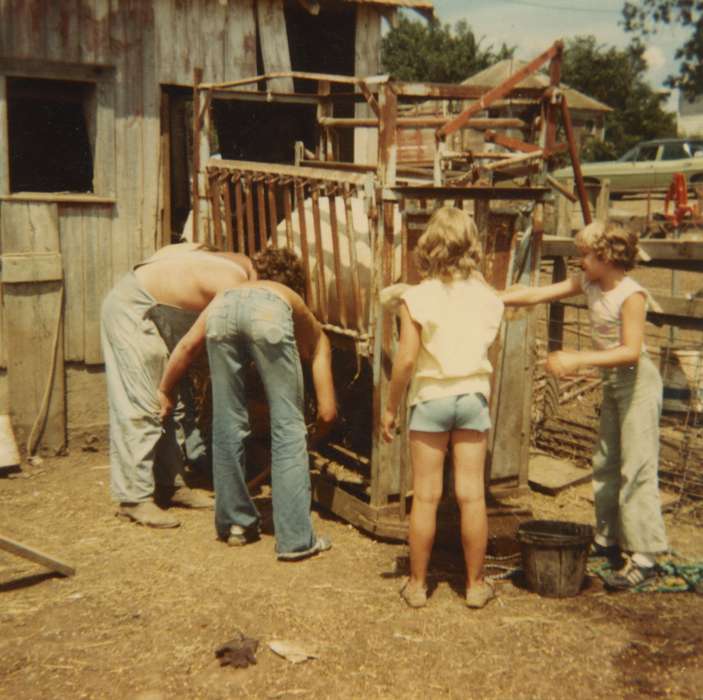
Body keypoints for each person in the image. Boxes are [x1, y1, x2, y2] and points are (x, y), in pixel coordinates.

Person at [501, 221, 668, 589]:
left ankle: (646, 555)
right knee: (605, 461)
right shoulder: (589, 283)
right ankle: (608, 539)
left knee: (637, 466)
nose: (579, 261)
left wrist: (578, 360)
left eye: (585, 255)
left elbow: (630, 353)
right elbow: (539, 294)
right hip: (614, 384)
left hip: (638, 384)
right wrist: (493, 297)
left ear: (607, 257)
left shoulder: (631, 295)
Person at [158, 248, 337, 560]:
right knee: (288, 427)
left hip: (222, 315)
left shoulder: (228, 293)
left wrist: (164, 390)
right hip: (269, 316)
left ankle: (235, 525)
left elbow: (187, 345)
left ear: (256, 274)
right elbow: (320, 347)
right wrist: (326, 407)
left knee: (227, 424)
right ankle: (295, 539)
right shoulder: (288, 297)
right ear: (295, 283)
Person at [381, 207, 504, 609]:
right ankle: (475, 585)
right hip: (472, 397)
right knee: (471, 496)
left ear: (430, 244)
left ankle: (417, 586)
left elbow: (404, 361)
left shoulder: (416, 297)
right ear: (472, 246)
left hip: (431, 399)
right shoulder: (489, 298)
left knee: (427, 496)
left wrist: (391, 408)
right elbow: (492, 353)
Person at [101, 243, 255, 528]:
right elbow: (190, 345)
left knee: (173, 404)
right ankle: (134, 498)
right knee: (143, 403)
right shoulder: (238, 288)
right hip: (133, 309)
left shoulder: (243, 263)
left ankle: (170, 484)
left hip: (152, 303)